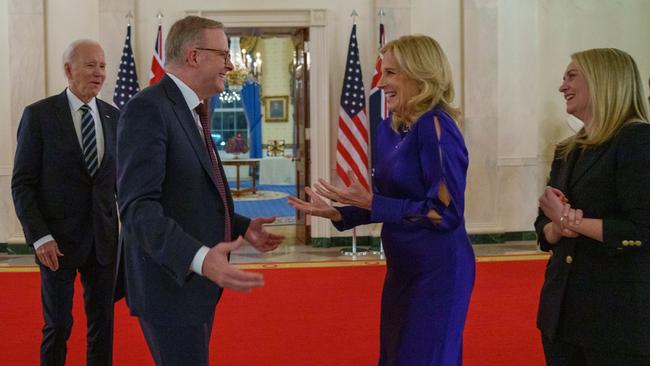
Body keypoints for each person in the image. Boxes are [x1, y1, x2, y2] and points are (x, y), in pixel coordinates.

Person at [288, 35, 475, 365]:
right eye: (381, 72)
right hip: (403, 265)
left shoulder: (436, 126)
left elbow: (444, 214)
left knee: (422, 356)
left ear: (420, 75)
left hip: (437, 267)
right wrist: (337, 213)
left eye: (391, 73)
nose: (382, 82)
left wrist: (374, 202)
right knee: (396, 353)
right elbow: (387, 200)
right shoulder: (390, 128)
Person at [116, 16, 284, 365]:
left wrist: (240, 226)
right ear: (194, 56)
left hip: (194, 284)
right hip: (170, 284)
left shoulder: (191, 109)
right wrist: (199, 258)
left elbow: (188, 193)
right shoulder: (149, 108)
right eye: (223, 54)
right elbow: (137, 208)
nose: (231, 64)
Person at [536, 48, 650, 365]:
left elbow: (644, 230)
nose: (562, 87)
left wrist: (574, 223)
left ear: (603, 82)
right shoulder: (567, 150)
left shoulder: (638, 141)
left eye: (572, 76)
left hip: (618, 321)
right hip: (562, 315)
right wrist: (556, 226)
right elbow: (542, 228)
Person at [11, 39, 120, 365]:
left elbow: (118, 182)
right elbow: (22, 184)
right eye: (91, 65)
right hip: (55, 243)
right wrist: (39, 236)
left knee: (102, 324)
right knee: (58, 324)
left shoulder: (114, 117)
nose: (99, 73)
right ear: (68, 70)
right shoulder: (40, 116)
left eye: (102, 65)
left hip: (103, 241)